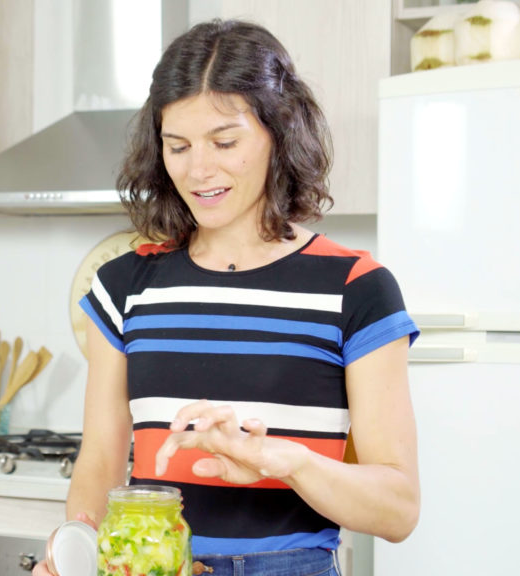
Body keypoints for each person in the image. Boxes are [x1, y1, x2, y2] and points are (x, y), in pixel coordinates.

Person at [35, 19, 419, 576]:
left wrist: (286, 461)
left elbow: (399, 508)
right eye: (178, 146)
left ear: (278, 133)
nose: (199, 170)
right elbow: (99, 461)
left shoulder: (356, 288)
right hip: (151, 564)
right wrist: (77, 555)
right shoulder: (123, 287)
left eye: (225, 141)